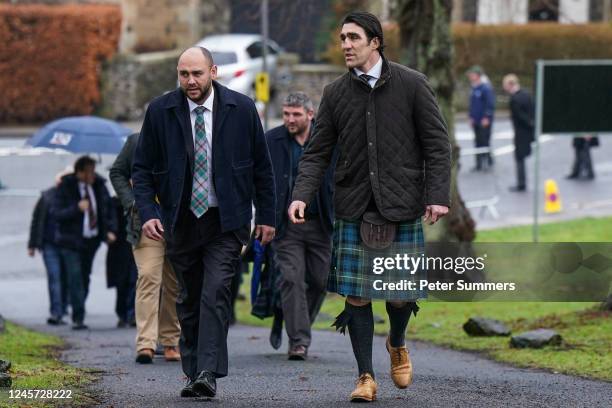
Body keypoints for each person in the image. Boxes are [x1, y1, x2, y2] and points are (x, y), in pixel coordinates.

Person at [287, 11, 451, 402]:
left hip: (402, 202)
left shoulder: (412, 84)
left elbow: (437, 144)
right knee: (357, 296)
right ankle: (365, 376)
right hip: (354, 204)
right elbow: (317, 152)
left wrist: (437, 196)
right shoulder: (335, 93)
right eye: (342, 37)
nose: (345, 44)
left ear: (375, 41)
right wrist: (301, 194)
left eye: (353, 37)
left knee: (397, 293)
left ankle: (397, 342)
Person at [132, 47, 276, 399]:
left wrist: (268, 217)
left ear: (213, 71)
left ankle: (208, 372)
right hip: (180, 220)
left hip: (225, 221)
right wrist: (149, 215)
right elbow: (141, 169)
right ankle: (194, 369)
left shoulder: (241, 109)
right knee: (189, 298)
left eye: (197, 74)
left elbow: (262, 167)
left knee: (215, 292)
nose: (190, 81)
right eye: (184, 75)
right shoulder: (161, 111)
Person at [266, 92, 335, 360]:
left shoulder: (328, 138)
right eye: (286, 114)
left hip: (321, 223)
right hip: (287, 227)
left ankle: (292, 315)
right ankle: (299, 341)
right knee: (292, 279)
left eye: (296, 114)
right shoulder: (272, 140)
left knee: (321, 281)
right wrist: (265, 219)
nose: (290, 119)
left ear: (310, 114)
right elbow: (261, 179)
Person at [110, 132, 181, 364]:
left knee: (175, 282)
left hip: (178, 221)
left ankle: (170, 340)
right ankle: (146, 343)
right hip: (144, 221)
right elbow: (117, 172)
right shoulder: (136, 141)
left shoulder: (185, 137)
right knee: (149, 276)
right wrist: (131, 202)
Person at [53, 156, 117, 330]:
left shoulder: (99, 186)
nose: (92, 175)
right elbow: (57, 213)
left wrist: (109, 231)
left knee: (84, 276)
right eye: (88, 171)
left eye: (93, 170)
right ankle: (78, 316)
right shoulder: (66, 187)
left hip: (91, 240)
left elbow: (107, 210)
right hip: (71, 241)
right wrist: (76, 208)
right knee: (75, 277)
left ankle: (78, 306)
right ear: (79, 172)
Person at [28, 170, 72, 325]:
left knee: (66, 277)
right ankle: (56, 312)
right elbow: (37, 220)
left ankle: (63, 307)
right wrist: (32, 244)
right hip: (49, 244)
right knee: (54, 277)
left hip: (67, 244)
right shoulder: (46, 196)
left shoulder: (72, 197)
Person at [105, 196, 137, 328]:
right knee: (121, 282)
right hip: (119, 247)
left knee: (134, 281)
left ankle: (131, 314)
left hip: (134, 245)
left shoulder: (141, 197)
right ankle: (123, 314)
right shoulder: (114, 203)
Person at [502, 74, 534, 192]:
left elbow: (519, 116)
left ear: (510, 84)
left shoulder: (514, 99)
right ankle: (522, 182)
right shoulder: (526, 95)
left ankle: (521, 183)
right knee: (521, 157)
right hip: (528, 131)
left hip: (520, 132)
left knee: (519, 158)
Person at [467, 65, 495, 171]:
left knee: (485, 141)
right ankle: (478, 164)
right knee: (477, 142)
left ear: (478, 75)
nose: (470, 76)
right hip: (476, 121)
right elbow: (472, 105)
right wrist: (471, 117)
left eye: (472, 74)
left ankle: (487, 162)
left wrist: (487, 117)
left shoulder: (485, 88)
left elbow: (490, 104)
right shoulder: (474, 88)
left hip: (484, 121)